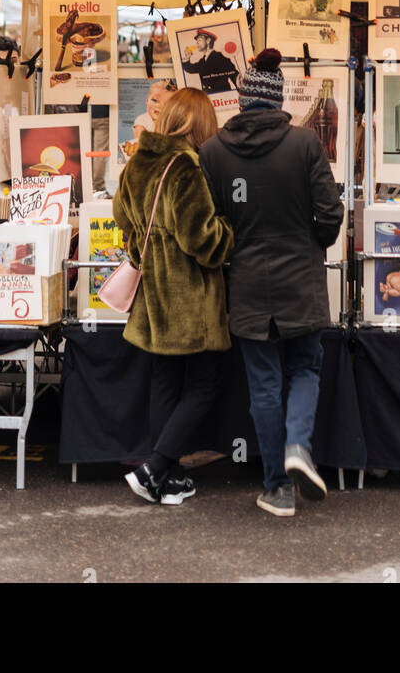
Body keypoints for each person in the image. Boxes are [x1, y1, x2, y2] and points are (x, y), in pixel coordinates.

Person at [198, 48, 344, 518]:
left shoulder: (213, 152)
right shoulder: (304, 144)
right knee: (305, 368)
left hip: (245, 284)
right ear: (278, 99)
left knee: (263, 384)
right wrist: (311, 241)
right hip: (300, 277)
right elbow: (331, 213)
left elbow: (213, 224)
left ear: (241, 101)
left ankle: (276, 487)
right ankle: (298, 446)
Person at [112, 87, 234, 506]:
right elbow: (203, 239)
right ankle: (154, 468)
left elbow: (124, 223)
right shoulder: (187, 167)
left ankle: (170, 479)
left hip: (153, 300)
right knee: (205, 383)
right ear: (199, 124)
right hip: (190, 302)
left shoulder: (137, 164)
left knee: (165, 384)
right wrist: (230, 236)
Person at [179, 29, 239, 95]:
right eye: (197, 41)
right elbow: (191, 69)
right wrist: (187, 57)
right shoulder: (202, 60)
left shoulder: (221, 56)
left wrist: (244, 94)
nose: (197, 43)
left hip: (223, 98)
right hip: (208, 97)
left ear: (208, 41)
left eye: (199, 40)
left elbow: (234, 75)